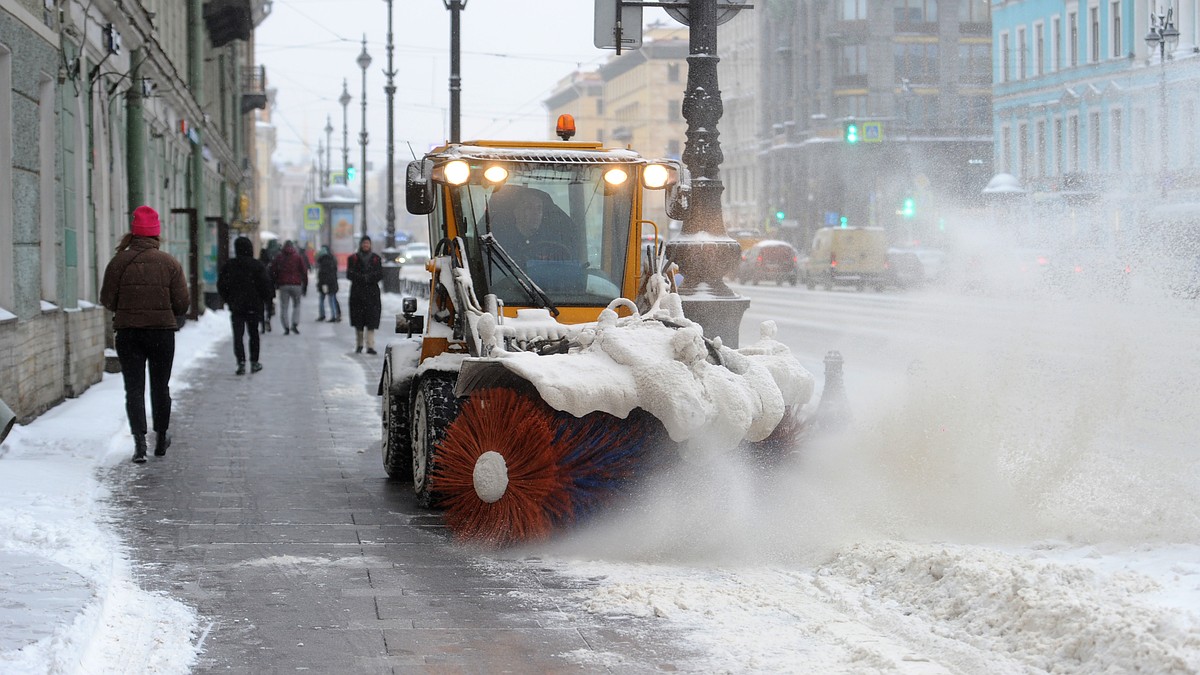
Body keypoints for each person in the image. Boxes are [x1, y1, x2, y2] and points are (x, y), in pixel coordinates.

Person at [100, 205, 190, 464]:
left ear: (134, 232)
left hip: (129, 333)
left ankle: (139, 444)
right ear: (156, 234)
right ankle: (161, 437)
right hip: (162, 333)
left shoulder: (119, 262)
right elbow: (182, 304)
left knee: (134, 388)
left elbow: (107, 300)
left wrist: (129, 305)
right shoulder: (170, 263)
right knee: (160, 386)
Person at [217, 236, 275, 375]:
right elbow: (266, 285)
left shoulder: (230, 265)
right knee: (253, 334)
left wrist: (228, 299)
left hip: (237, 306)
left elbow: (222, 285)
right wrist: (267, 301)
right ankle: (254, 362)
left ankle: (241, 362)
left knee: (238, 335)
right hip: (254, 306)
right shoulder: (257, 265)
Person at [487, 185, 577, 265]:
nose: (536, 213)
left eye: (539, 208)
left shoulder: (554, 243)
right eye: (529, 207)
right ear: (516, 212)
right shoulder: (498, 244)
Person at [345, 235, 383, 354]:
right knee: (358, 320)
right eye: (364, 243)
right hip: (357, 293)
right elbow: (349, 274)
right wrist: (361, 278)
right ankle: (359, 344)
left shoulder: (376, 258)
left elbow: (380, 274)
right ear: (361, 245)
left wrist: (369, 278)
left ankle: (370, 345)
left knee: (371, 320)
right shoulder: (353, 258)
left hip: (372, 294)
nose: (366, 245)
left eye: (368, 243)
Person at [268, 239, 309, 335]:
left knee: (284, 307)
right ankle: (294, 323)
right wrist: (305, 285)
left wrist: (275, 282)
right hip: (296, 284)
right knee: (297, 305)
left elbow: (273, 271)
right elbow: (304, 271)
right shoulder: (298, 257)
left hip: (283, 284)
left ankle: (286, 326)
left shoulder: (279, 257)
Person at [258, 238, 281, 332]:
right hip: (270, 285)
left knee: (261, 305)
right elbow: (276, 273)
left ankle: (262, 321)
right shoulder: (275, 259)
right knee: (269, 304)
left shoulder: (261, 259)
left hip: (260, 286)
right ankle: (268, 318)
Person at [315, 245, 341, 322]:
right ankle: (334, 315)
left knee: (322, 299)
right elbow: (334, 271)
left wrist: (322, 283)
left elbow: (322, 274)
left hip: (324, 283)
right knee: (332, 299)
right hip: (332, 282)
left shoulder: (322, 261)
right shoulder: (333, 259)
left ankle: (322, 315)